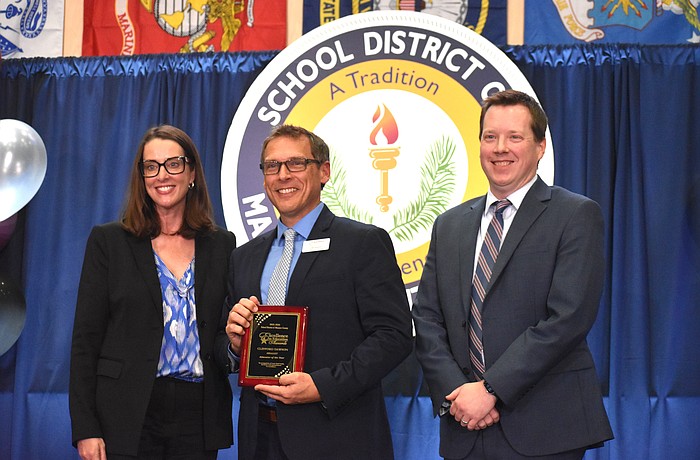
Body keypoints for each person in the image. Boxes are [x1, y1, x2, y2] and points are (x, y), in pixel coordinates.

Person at [412, 90, 613, 459]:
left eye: (514, 137)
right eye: (491, 137)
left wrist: (490, 389)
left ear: (540, 146)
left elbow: (568, 319)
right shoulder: (449, 224)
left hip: (545, 426)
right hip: (464, 425)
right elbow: (426, 318)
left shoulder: (575, 215)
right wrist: (459, 393)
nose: (500, 148)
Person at [222, 124, 413, 460]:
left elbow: (394, 337)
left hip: (338, 436)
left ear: (324, 171)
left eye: (296, 163)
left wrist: (323, 386)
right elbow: (227, 349)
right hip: (260, 438)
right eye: (272, 166)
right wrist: (236, 345)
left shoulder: (362, 244)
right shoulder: (244, 257)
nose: (283, 175)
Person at [69, 125, 236, 459]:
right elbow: (86, 341)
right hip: (127, 411)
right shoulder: (109, 242)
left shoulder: (221, 244)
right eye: (151, 166)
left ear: (191, 173)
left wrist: (236, 346)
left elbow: (220, 333)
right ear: (141, 177)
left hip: (198, 412)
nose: (162, 175)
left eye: (173, 164)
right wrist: (86, 428)